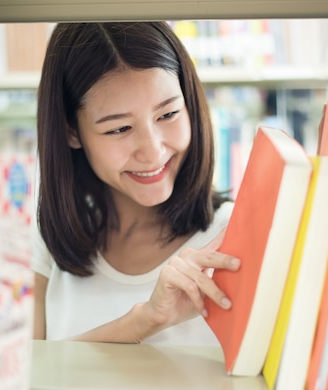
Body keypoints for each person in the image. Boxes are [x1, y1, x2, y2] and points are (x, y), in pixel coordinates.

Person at [31, 21, 241, 346]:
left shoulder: (236, 235)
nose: (153, 151)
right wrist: (143, 321)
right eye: (119, 129)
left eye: (168, 114)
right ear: (71, 132)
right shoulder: (45, 242)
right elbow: (21, 380)